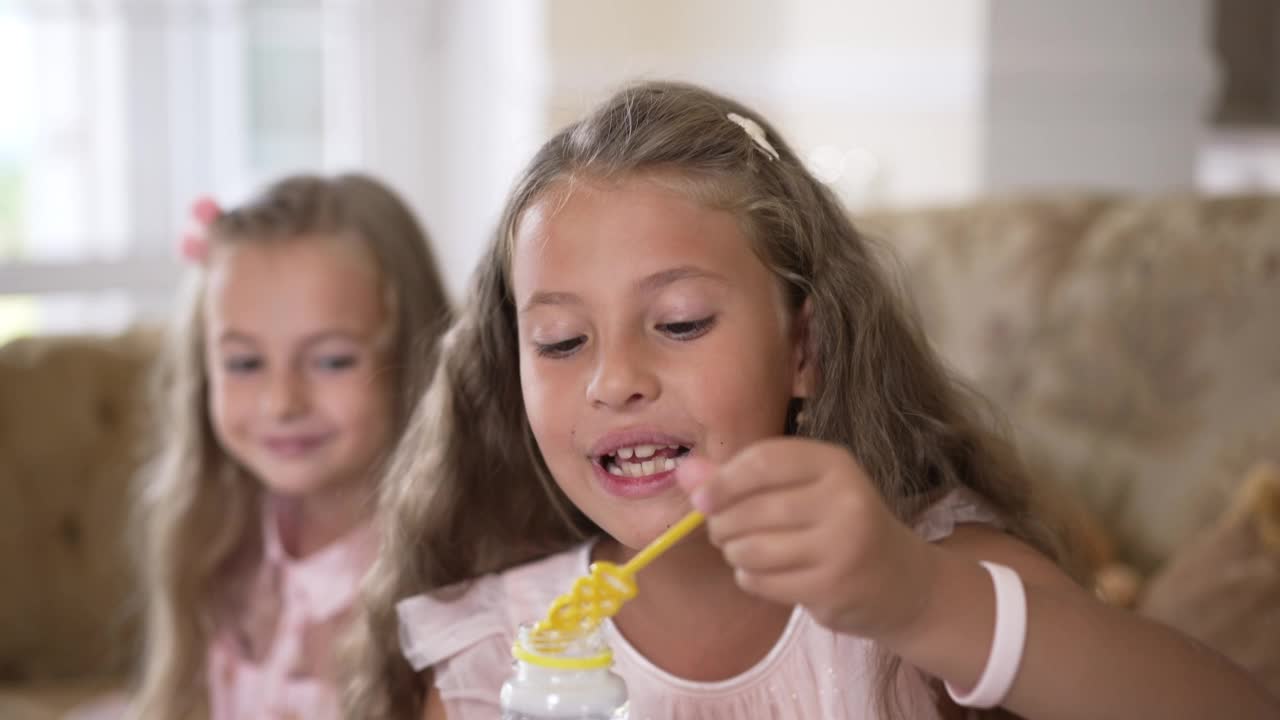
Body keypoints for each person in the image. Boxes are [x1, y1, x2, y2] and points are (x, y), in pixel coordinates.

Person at [349, 82, 1280, 720]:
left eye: (677, 322)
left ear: (806, 350)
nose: (613, 378)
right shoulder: (493, 652)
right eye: (560, 340)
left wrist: (919, 602)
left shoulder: (923, 578)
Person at [126, 173, 451, 719]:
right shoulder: (218, 530)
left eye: (331, 360)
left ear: (412, 357)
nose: (282, 402)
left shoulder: (443, 578)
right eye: (246, 363)